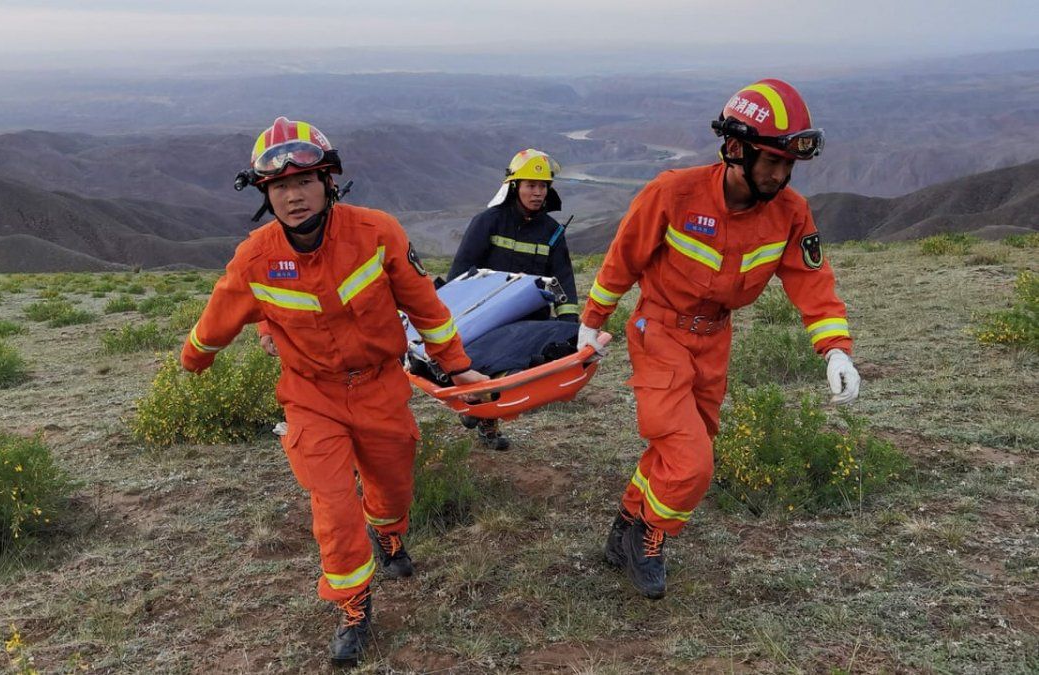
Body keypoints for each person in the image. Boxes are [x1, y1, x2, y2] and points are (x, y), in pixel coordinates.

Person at [181, 117, 487, 665]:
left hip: (380, 387)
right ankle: (353, 603)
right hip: (310, 397)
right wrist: (195, 359)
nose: (293, 196)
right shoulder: (254, 258)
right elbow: (217, 318)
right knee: (333, 504)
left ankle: (389, 534)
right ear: (264, 194)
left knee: (391, 485)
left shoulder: (376, 232)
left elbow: (425, 305)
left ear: (329, 183)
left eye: (304, 182)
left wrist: (458, 368)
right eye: (278, 187)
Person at [577, 80, 861, 599]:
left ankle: (623, 528)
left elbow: (811, 282)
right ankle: (650, 537)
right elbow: (623, 258)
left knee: (678, 448)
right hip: (658, 331)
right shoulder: (673, 193)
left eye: (787, 165)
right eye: (770, 161)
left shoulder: (791, 211)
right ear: (736, 149)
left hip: (715, 341)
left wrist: (835, 348)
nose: (780, 174)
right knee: (691, 463)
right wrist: (592, 321)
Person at [447, 148, 579, 450]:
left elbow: (564, 279)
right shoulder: (488, 222)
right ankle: (483, 418)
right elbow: (460, 273)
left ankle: (483, 415)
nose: (537, 192)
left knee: (511, 374)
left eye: (543, 186)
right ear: (514, 186)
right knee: (486, 370)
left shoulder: (552, 233)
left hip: (529, 320)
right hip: (486, 316)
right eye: (531, 185)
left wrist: (569, 325)